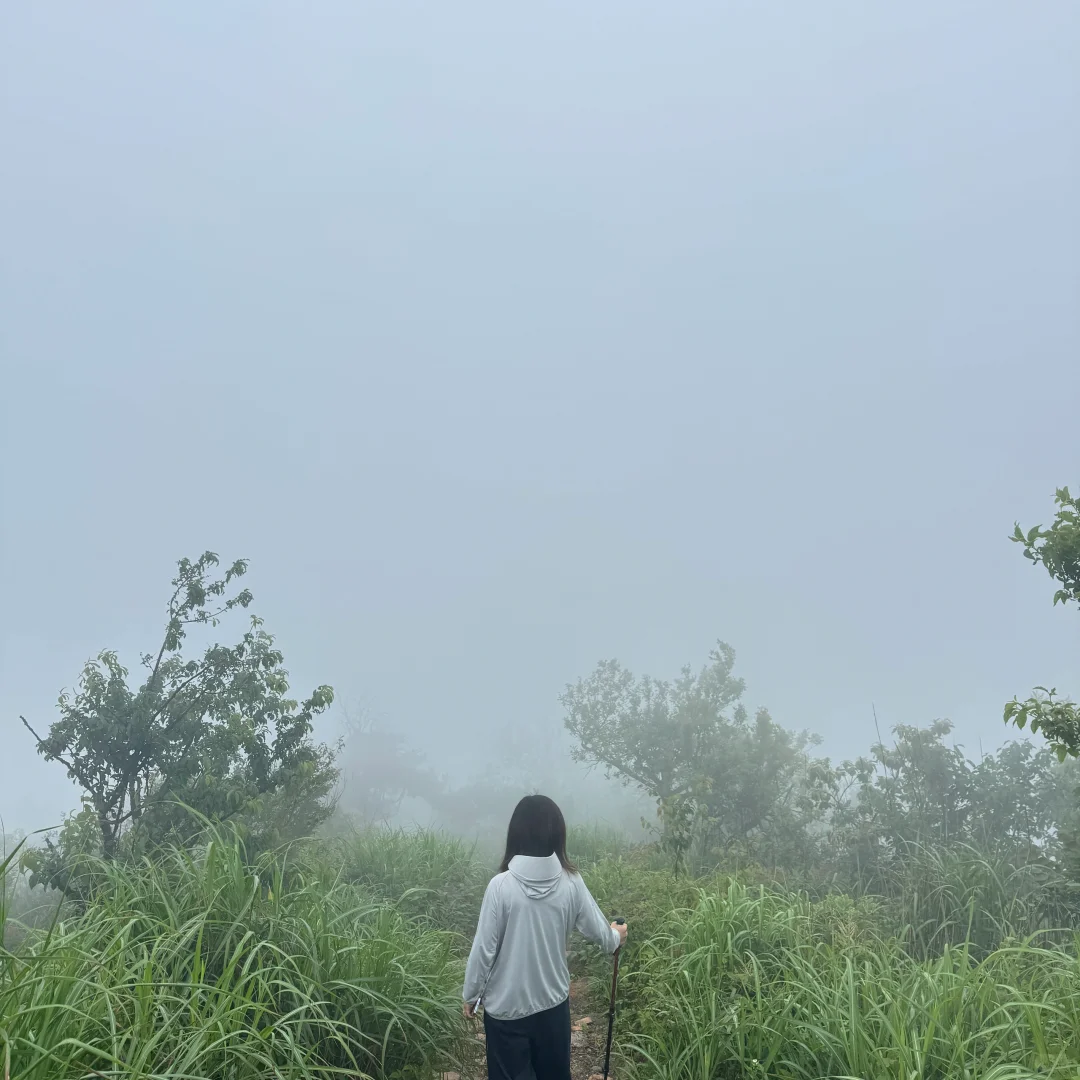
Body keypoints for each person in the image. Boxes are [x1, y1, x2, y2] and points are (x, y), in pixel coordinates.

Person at [463, 794, 628, 1080]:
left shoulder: (500, 887)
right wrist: (617, 936)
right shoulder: (571, 881)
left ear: (516, 834)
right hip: (553, 1007)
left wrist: (471, 995)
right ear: (557, 834)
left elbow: (483, 950)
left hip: (506, 1012)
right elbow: (601, 933)